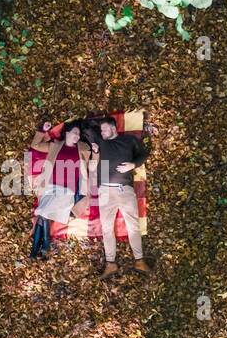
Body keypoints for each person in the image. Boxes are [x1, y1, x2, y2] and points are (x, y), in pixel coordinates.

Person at [90, 115, 148, 278]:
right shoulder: (101, 142)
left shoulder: (129, 141)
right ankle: (110, 263)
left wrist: (133, 164)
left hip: (125, 190)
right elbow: (86, 126)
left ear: (114, 128)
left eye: (105, 129)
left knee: (133, 226)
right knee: (107, 229)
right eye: (101, 130)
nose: (102, 132)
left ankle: (139, 261)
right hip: (105, 193)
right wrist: (95, 148)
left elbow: (143, 154)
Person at [28, 120, 94, 260]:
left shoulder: (83, 148)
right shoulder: (55, 145)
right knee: (42, 215)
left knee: (43, 214)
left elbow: (95, 157)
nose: (77, 136)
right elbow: (35, 145)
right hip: (49, 186)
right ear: (67, 133)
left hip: (67, 190)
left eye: (79, 134)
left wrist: (96, 150)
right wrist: (43, 131)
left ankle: (43, 245)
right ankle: (36, 251)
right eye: (75, 133)